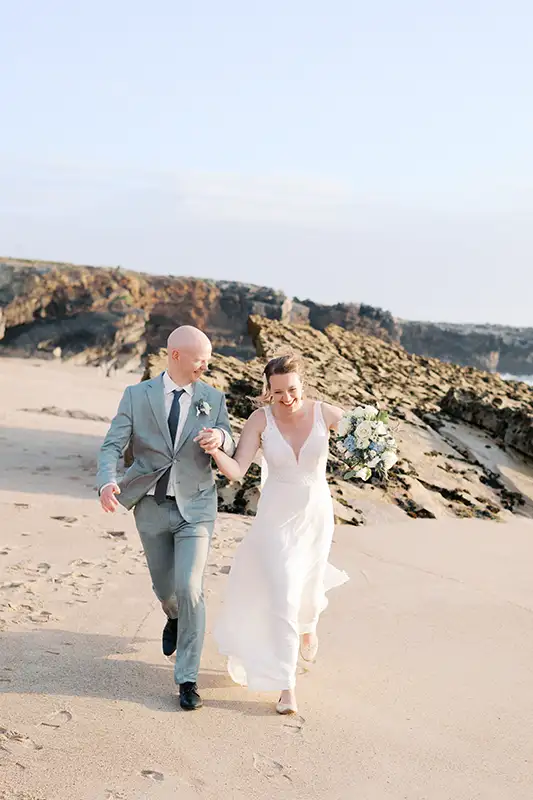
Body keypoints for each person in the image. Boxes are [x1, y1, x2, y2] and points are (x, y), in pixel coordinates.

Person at [197, 353, 348, 715]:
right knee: (281, 592)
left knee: (307, 585)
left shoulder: (326, 413)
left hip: (316, 515)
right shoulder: (259, 420)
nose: (287, 398)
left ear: (303, 385)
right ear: (268, 390)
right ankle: (287, 686)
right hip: (275, 519)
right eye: (278, 391)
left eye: (292, 389)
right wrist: (217, 450)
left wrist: (374, 449)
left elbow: (359, 441)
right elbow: (237, 470)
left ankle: (309, 623)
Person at [96, 325, 235, 711]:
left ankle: (187, 679)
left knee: (191, 588)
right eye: (199, 358)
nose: (205, 365)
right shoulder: (136, 396)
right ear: (175, 356)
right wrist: (108, 482)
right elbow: (112, 445)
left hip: (198, 508)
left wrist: (220, 440)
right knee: (166, 591)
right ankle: (173, 616)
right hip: (151, 506)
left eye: (208, 358)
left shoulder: (213, 397)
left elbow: (230, 436)